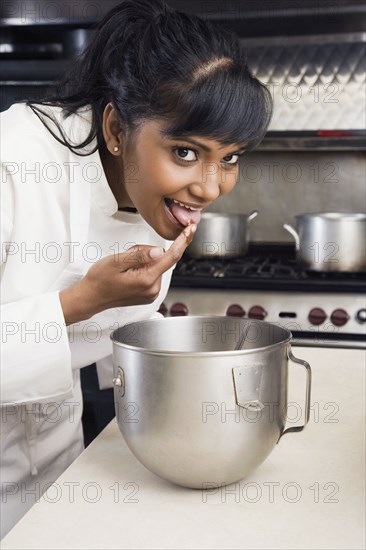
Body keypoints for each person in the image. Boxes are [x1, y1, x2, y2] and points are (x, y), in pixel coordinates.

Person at [0, 0, 272, 537]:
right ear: (116, 127)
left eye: (232, 157)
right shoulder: (12, 165)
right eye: (186, 153)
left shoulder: (147, 183)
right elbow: (80, 312)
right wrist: (86, 299)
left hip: (54, 457)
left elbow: (106, 351)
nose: (211, 187)